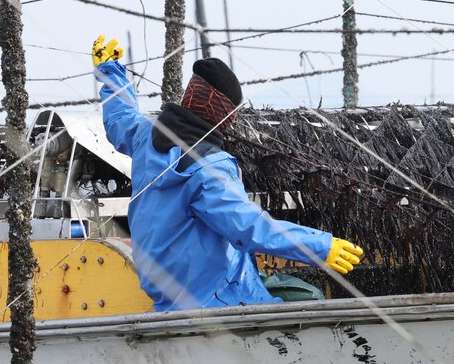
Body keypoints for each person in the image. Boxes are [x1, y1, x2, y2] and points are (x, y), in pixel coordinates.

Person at [92, 36, 365, 310]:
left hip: (169, 299)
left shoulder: (146, 136)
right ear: (225, 114)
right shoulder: (208, 168)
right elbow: (247, 226)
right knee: (309, 298)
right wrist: (319, 247)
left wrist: (112, 71)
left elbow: (120, 119)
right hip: (220, 299)